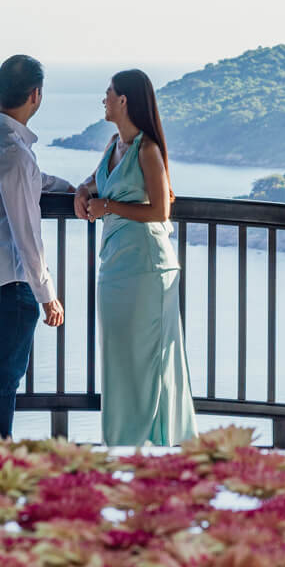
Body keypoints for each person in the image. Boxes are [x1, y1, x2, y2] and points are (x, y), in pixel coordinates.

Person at [74, 69, 197, 447]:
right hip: (114, 267)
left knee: (149, 362)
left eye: (108, 93)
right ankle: (122, 446)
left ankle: (158, 447)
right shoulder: (114, 145)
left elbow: (161, 211)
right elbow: (98, 182)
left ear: (124, 100)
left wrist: (107, 205)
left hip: (148, 268)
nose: (104, 99)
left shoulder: (148, 150)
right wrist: (82, 190)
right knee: (119, 361)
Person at [0, 55, 72, 441]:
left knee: (3, 376)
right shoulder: (12, 149)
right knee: (4, 379)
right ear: (36, 95)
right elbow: (27, 233)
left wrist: (66, 188)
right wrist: (48, 294)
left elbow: (27, 183)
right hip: (14, 282)